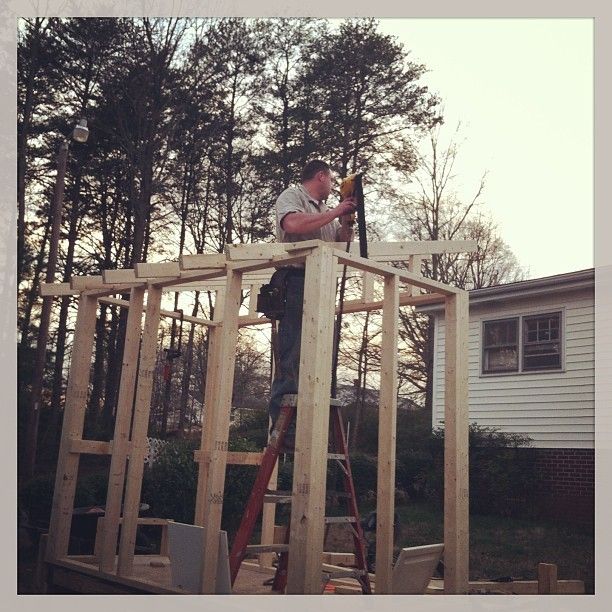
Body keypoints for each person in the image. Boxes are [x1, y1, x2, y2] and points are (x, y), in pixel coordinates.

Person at [267, 159, 356, 436]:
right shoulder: (293, 196)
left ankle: (310, 425)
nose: (332, 185)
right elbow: (293, 224)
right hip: (295, 281)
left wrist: (346, 220)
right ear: (321, 176)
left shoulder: (325, 212)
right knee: (292, 351)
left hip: (321, 283)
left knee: (319, 354)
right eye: (331, 180)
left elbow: (342, 244)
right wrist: (337, 211)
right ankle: (284, 429)